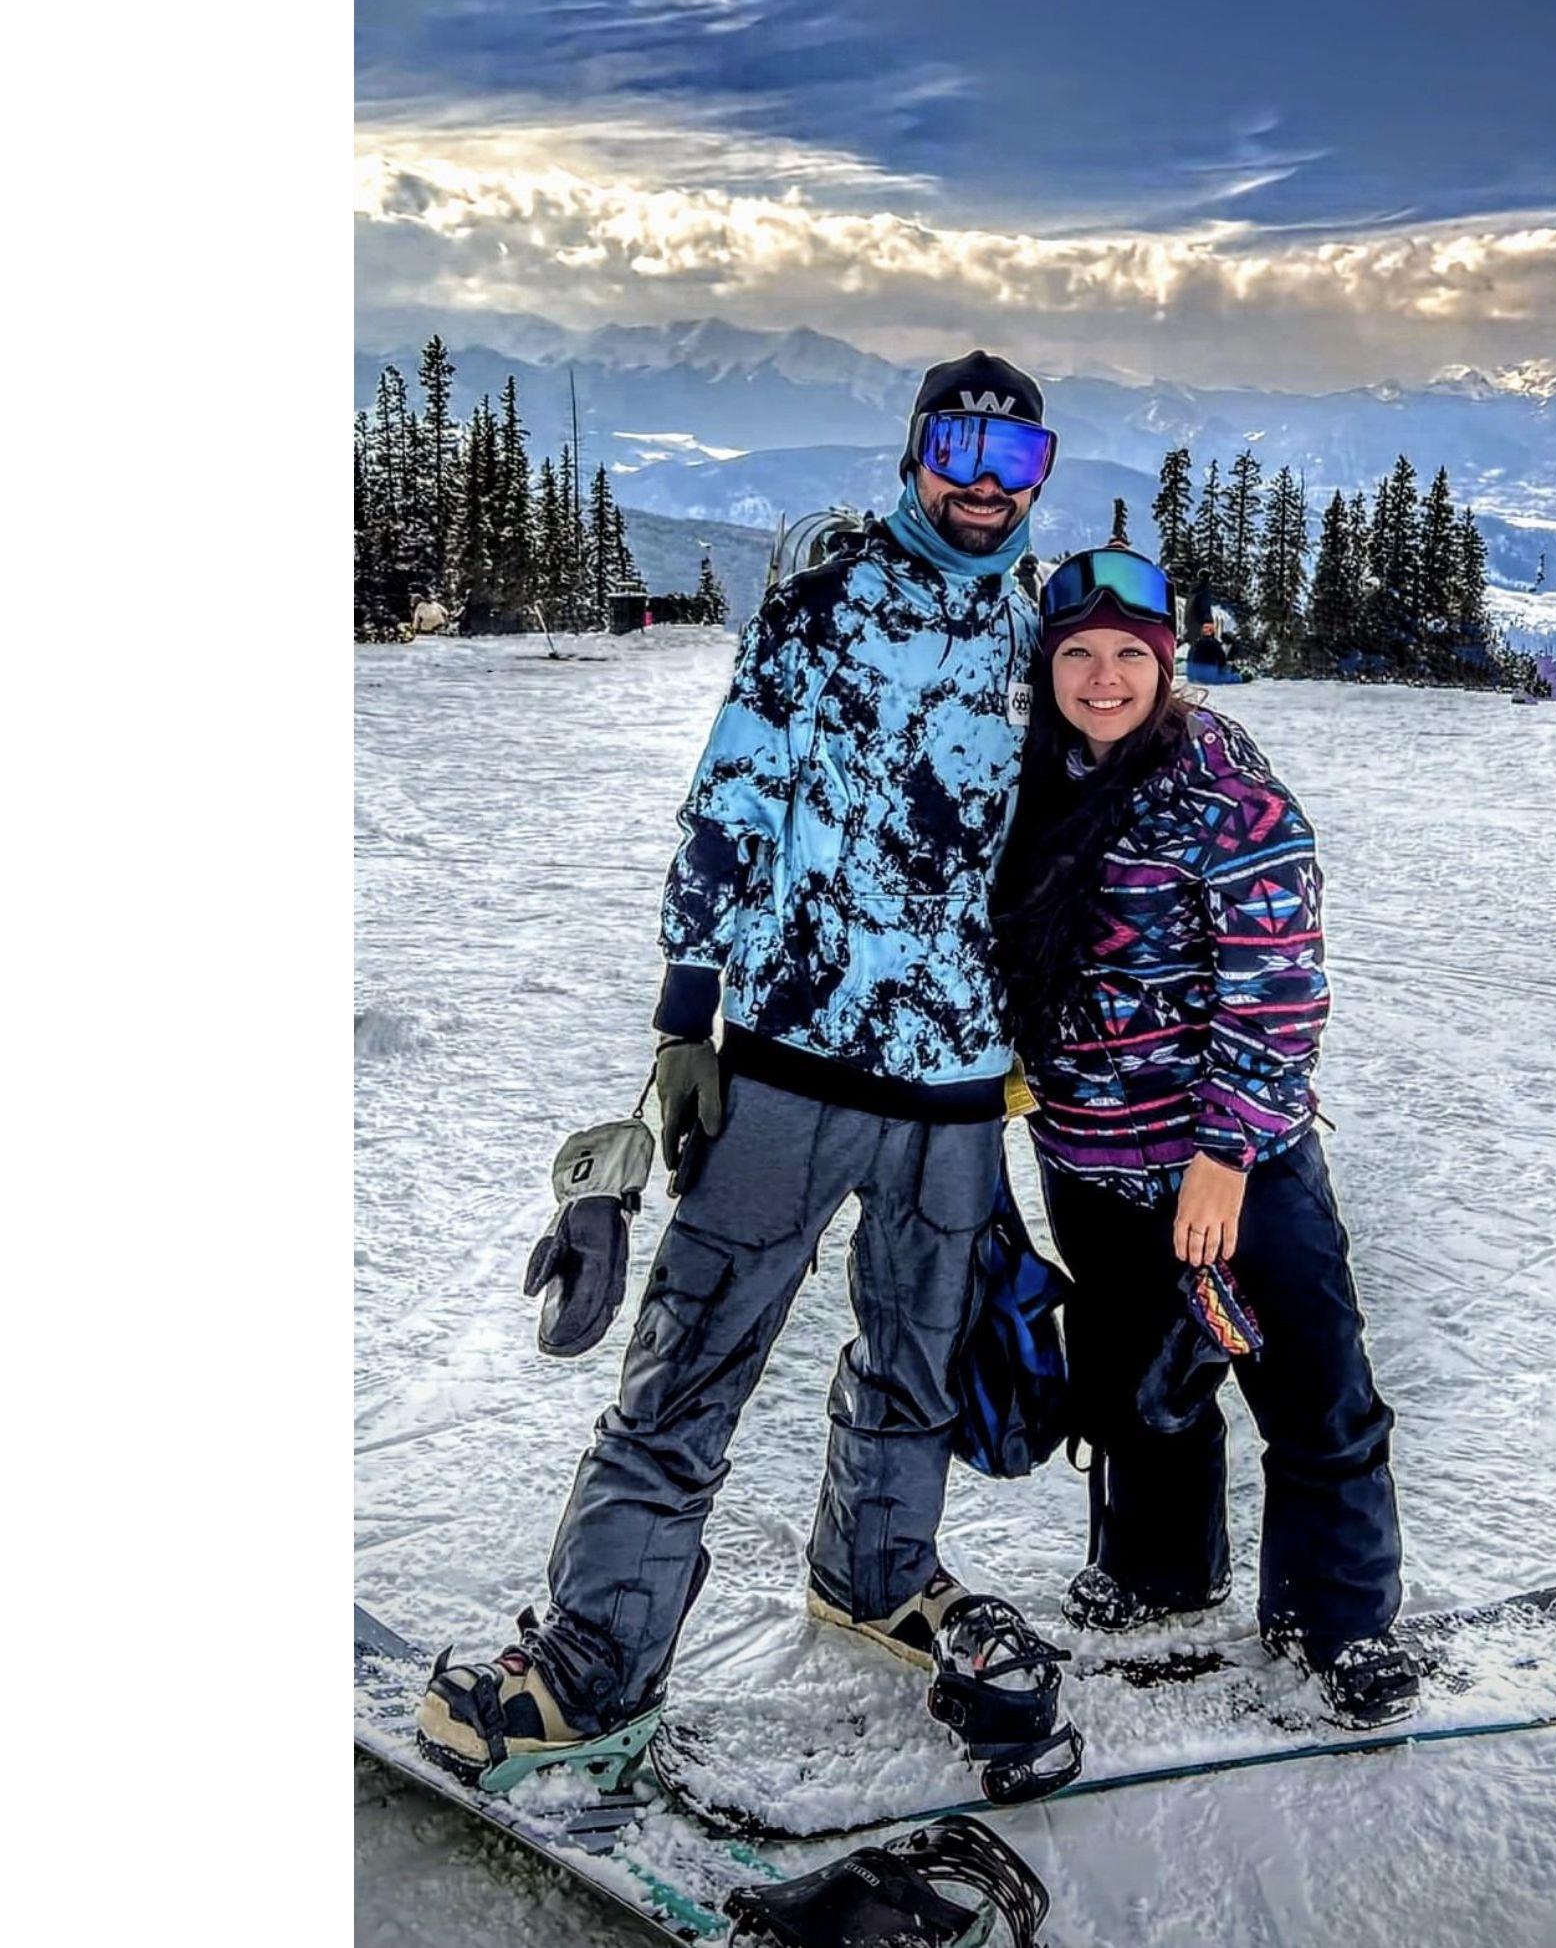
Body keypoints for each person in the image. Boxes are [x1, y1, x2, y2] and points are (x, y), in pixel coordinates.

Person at [419, 352, 1068, 1786]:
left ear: (1039, 478)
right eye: (958, 449)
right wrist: (682, 1019)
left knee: (916, 1361)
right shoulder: (821, 606)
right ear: (914, 455)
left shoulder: (1040, 634)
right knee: (689, 1363)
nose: (982, 484)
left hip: (957, 1086)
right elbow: (730, 808)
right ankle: (598, 1652)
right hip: (792, 1061)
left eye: (1014, 460)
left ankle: (876, 1570)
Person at [989, 545, 1418, 1731]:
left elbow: (1278, 986)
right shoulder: (1030, 781)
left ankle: (1339, 1620)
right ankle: (1160, 1574)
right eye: (1079, 654)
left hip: (1234, 1164)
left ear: (1167, 663)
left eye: (1131, 655)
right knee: (1139, 1391)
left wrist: (1225, 1157)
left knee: (1312, 1388)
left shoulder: (1220, 783)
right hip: (1088, 1157)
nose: (1105, 678)